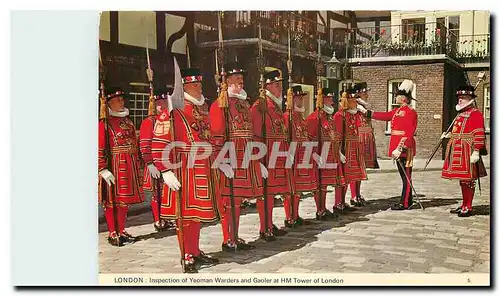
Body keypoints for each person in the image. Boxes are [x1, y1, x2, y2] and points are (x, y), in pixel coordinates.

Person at [152, 68, 218, 273]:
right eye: (194, 85)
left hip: (203, 166)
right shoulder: (173, 109)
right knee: (185, 216)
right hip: (182, 168)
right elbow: (159, 141)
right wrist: (164, 170)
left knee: (196, 214)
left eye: (200, 84)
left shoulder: (203, 107)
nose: (199, 88)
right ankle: (186, 255)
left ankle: (195, 250)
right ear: (184, 86)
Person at [210, 62, 262, 251]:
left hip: (244, 156)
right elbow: (216, 134)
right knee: (227, 200)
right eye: (236, 77)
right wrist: (221, 161)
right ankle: (227, 239)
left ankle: (235, 236)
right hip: (229, 156)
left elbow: (250, 133)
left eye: (241, 78)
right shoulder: (220, 105)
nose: (240, 80)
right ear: (226, 81)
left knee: (237, 200)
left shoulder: (243, 103)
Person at [358, 79, 418, 210]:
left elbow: (409, 132)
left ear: (403, 98)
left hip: (404, 149)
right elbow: (383, 116)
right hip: (397, 148)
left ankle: (406, 202)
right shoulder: (397, 111)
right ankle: (407, 200)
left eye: (397, 95)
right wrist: (365, 112)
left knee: (406, 177)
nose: (396, 97)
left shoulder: (410, 112)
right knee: (404, 176)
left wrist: (400, 148)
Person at [98, 87, 144, 246]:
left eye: (122, 99)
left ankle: (121, 229)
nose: (121, 102)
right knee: (112, 201)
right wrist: (102, 168)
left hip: (129, 163)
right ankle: (112, 231)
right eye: (117, 100)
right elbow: (99, 146)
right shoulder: (104, 124)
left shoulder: (128, 121)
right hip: (114, 165)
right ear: (109, 103)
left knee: (124, 201)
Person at [251, 68, 291, 241]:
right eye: (276, 84)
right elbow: (254, 134)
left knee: (272, 193)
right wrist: (257, 160)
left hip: (277, 155)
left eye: (280, 84)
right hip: (266, 155)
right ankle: (264, 227)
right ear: (267, 86)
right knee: (265, 193)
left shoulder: (274, 105)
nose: (279, 87)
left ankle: (269, 223)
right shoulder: (260, 105)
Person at [441, 84, 487, 217]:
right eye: (459, 97)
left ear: (470, 98)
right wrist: (449, 135)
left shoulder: (475, 113)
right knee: (462, 180)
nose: (460, 100)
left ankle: (468, 206)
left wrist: (477, 151)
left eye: (463, 97)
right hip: (457, 149)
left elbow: (479, 133)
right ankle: (464, 204)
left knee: (468, 179)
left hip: (468, 150)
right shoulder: (461, 114)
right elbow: (459, 131)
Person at [306, 88, 345, 220]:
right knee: (320, 184)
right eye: (328, 99)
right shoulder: (314, 118)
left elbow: (334, 136)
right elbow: (308, 138)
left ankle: (324, 208)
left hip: (331, 154)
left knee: (327, 183)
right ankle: (320, 210)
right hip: (320, 155)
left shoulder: (330, 118)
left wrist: (339, 152)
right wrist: (313, 155)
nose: (332, 101)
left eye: (332, 99)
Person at [139, 86, 174, 232]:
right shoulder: (150, 121)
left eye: (164, 102)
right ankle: (158, 220)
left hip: (167, 161)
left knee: (165, 191)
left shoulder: (169, 118)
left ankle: (165, 217)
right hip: (154, 162)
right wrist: (150, 163)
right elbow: (145, 144)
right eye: (158, 103)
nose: (162, 105)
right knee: (156, 192)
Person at [283, 85, 316, 227]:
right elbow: (284, 137)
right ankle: (289, 217)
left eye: (302, 97)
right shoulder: (287, 117)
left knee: (298, 189)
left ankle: (295, 215)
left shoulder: (300, 118)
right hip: (292, 155)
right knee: (289, 188)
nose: (300, 100)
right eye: (298, 97)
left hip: (302, 155)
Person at [332, 87, 367, 213]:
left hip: (353, 149)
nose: (355, 102)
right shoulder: (339, 115)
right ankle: (338, 203)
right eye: (352, 100)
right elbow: (337, 136)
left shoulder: (352, 115)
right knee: (342, 178)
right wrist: (338, 152)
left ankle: (343, 201)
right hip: (344, 150)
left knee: (349, 178)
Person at [351, 82, 379, 206]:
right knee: (357, 168)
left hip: (366, 138)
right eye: (365, 92)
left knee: (361, 169)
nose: (367, 94)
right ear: (359, 93)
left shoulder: (363, 105)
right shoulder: (355, 106)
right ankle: (353, 195)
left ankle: (357, 194)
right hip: (359, 138)